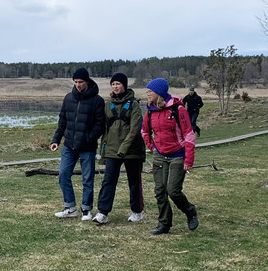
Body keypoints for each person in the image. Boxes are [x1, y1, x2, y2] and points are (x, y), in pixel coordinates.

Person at [141, 78, 198, 235]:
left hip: (178, 155)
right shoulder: (150, 111)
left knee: (173, 191)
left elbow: (189, 135)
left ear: (159, 93)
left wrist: (189, 159)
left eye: (150, 91)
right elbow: (144, 131)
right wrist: (152, 147)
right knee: (160, 191)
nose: (147, 94)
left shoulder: (178, 110)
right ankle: (164, 224)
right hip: (160, 155)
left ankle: (190, 211)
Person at [50, 68, 106, 220]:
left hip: (87, 147)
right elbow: (62, 120)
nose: (78, 85)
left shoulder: (97, 101)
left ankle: (86, 209)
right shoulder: (68, 98)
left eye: (80, 82)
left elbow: (100, 125)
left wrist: (89, 138)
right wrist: (55, 140)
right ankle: (70, 207)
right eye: (75, 82)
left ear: (87, 81)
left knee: (87, 179)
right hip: (69, 145)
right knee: (63, 175)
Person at [93, 73, 145, 224]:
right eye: (113, 84)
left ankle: (136, 211)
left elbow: (135, 129)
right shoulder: (108, 105)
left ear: (124, 85)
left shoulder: (134, 105)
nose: (115, 87)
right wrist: (101, 148)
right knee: (108, 181)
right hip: (112, 150)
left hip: (132, 150)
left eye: (118, 84)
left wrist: (124, 148)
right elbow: (105, 129)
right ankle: (103, 212)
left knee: (134, 182)